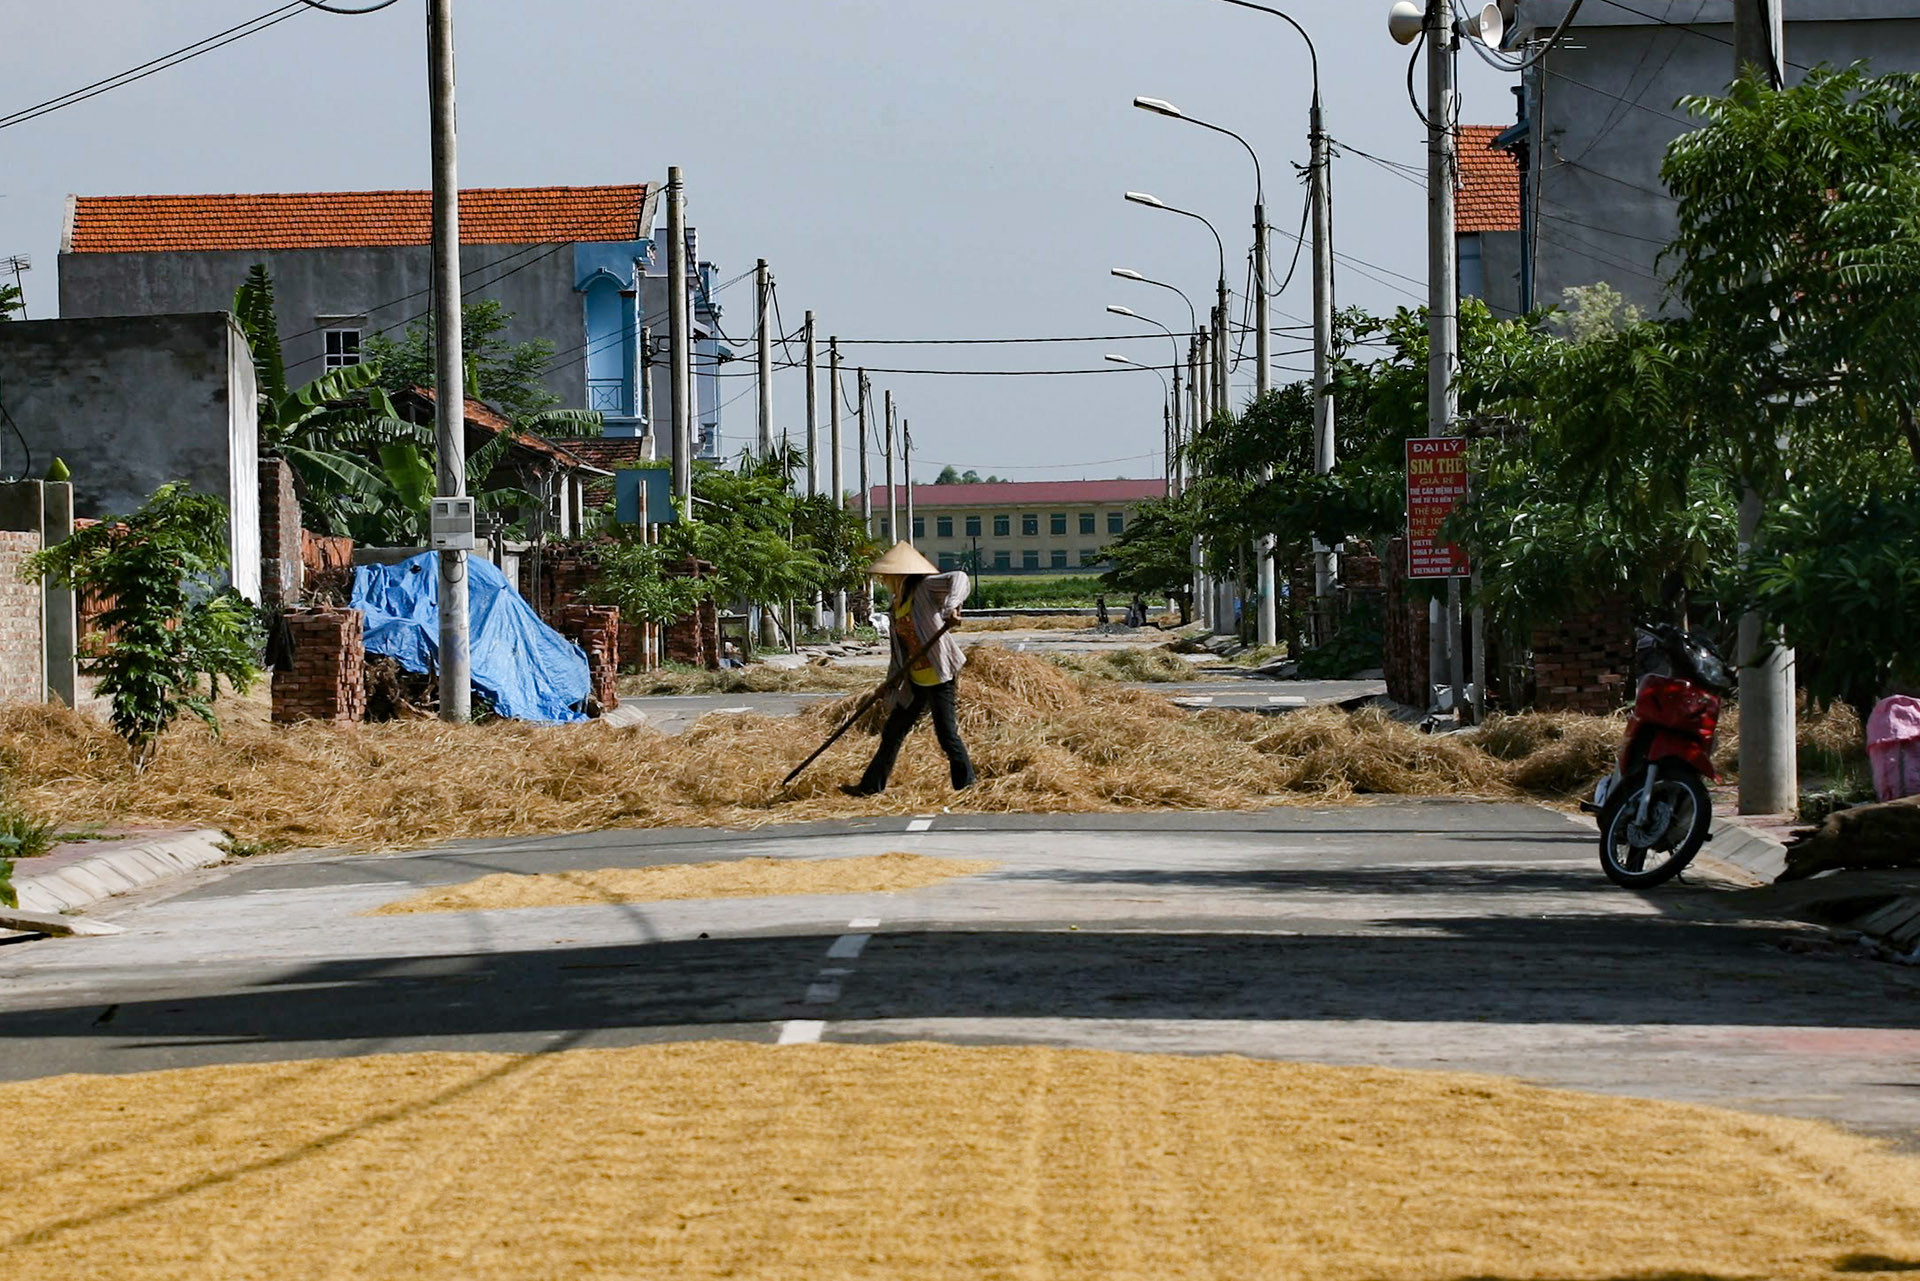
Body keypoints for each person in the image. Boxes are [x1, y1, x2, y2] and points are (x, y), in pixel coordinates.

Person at [842, 542, 975, 796]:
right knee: (892, 732)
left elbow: (960, 579)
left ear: (900, 575)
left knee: (946, 735)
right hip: (914, 680)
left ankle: (967, 787)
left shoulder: (924, 588)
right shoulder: (896, 605)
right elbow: (900, 652)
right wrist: (890, 682)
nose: (884, 581)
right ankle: (870, 787)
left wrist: (950, 608)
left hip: (940, 674)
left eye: (887, 576)